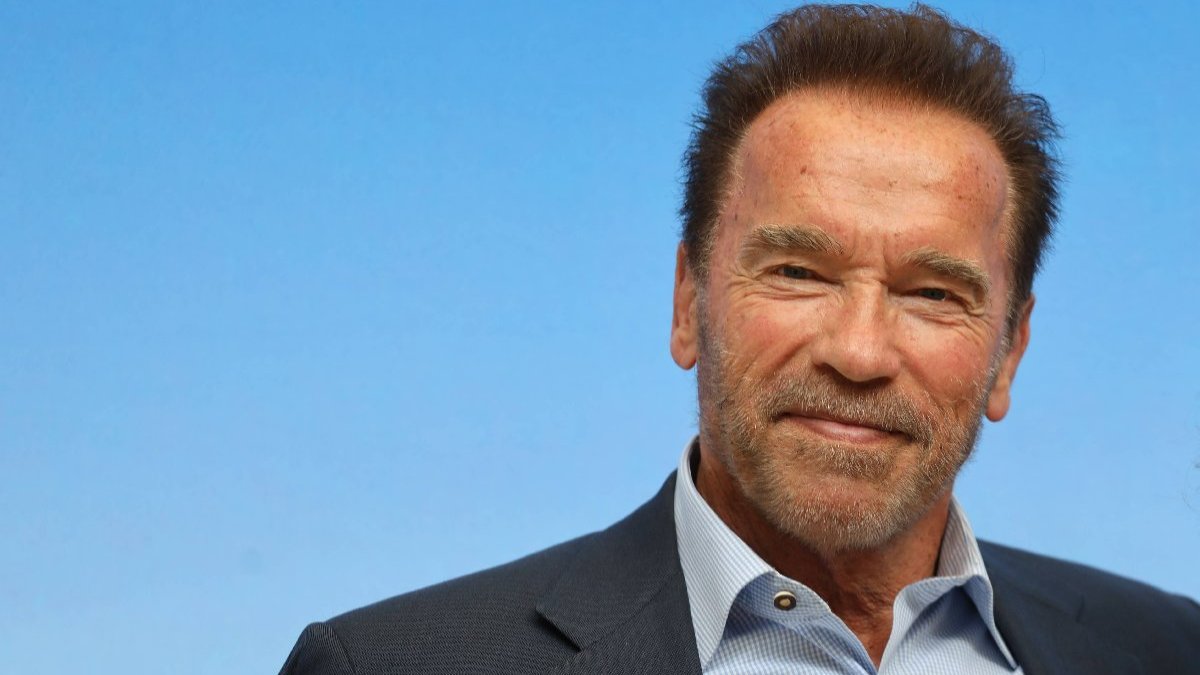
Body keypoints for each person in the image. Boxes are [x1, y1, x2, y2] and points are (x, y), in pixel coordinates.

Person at [280, 5, 1200, 674]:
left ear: (1010, 350)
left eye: (931, 292)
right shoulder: (394, 664)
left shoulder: (1164, 647)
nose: (859, 352)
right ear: (688, 302)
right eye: (798, 271)